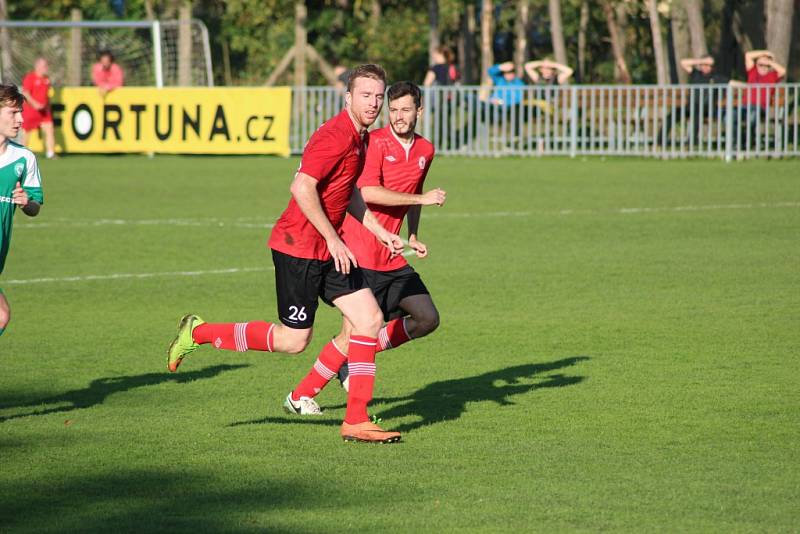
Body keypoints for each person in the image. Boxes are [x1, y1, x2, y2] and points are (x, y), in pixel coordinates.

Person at [166, 64, 405, 444]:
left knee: (369, 318)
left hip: (327, 247)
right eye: (366, 95)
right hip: (298, 247)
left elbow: (349, 193)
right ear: (348, 97)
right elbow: (301, 187)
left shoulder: (361, 138)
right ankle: (200, 332)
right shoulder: (335, 136)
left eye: (379, 96)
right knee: (294, 341)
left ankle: (356, 420)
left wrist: (378, 232)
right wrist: (333, 238)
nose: (374, 103)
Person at [284, 81, 445, 413]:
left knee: (427, 318)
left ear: (420, 111)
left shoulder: (425, 150)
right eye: (394, 109)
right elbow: (367, 191)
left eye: (405, 110)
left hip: (393, 257)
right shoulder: (373, 142)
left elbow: (416, 191)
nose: (398, 116)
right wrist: (422, 200)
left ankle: (358, 354)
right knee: (350, 335)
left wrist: (413, 233)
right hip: (360, 252)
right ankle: (301, 395)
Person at [0, 84, 44, 338]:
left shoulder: (24, 159)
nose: (20, 119)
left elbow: (34, 207)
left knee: (2, 315)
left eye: (21, 112)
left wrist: (27, 201)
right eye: (13, 112)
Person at [659, 55, 727, 145]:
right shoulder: (696, 74)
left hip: (706, 108)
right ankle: (659, 141)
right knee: (671, 116)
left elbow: (730, 82)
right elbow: (683, 63)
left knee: (697, 114)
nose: (706, 67)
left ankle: (691, 142)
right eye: (704, 64)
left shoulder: (716, 78)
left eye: (708, 65)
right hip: (690, 107)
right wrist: (701, 61)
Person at [730, 50, 786, 147]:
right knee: (730, 116)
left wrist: (769, 61)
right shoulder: (752, 72)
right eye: (761, 64)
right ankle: (737, 142)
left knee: (752, 117)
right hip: (744, 107)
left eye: (766, 66)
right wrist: (765, 53)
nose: (763, 67)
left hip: (760, 108)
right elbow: (748, 55)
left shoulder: (772, 76)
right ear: (756, 64)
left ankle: (746, 143)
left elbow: (783, 71)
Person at [20, 58, 56, 160]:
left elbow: (46, 95)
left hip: (44, 111)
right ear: (38, 67)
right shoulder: (30, 78)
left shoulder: (46, 79)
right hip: (31, 110)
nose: (46, 68)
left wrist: (47, 106)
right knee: (26, 133)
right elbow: (25, 93)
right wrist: (35, 104)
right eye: (44, 66)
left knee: (49, 129)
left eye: (46, 66)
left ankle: (51, 153)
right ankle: (22, 154)